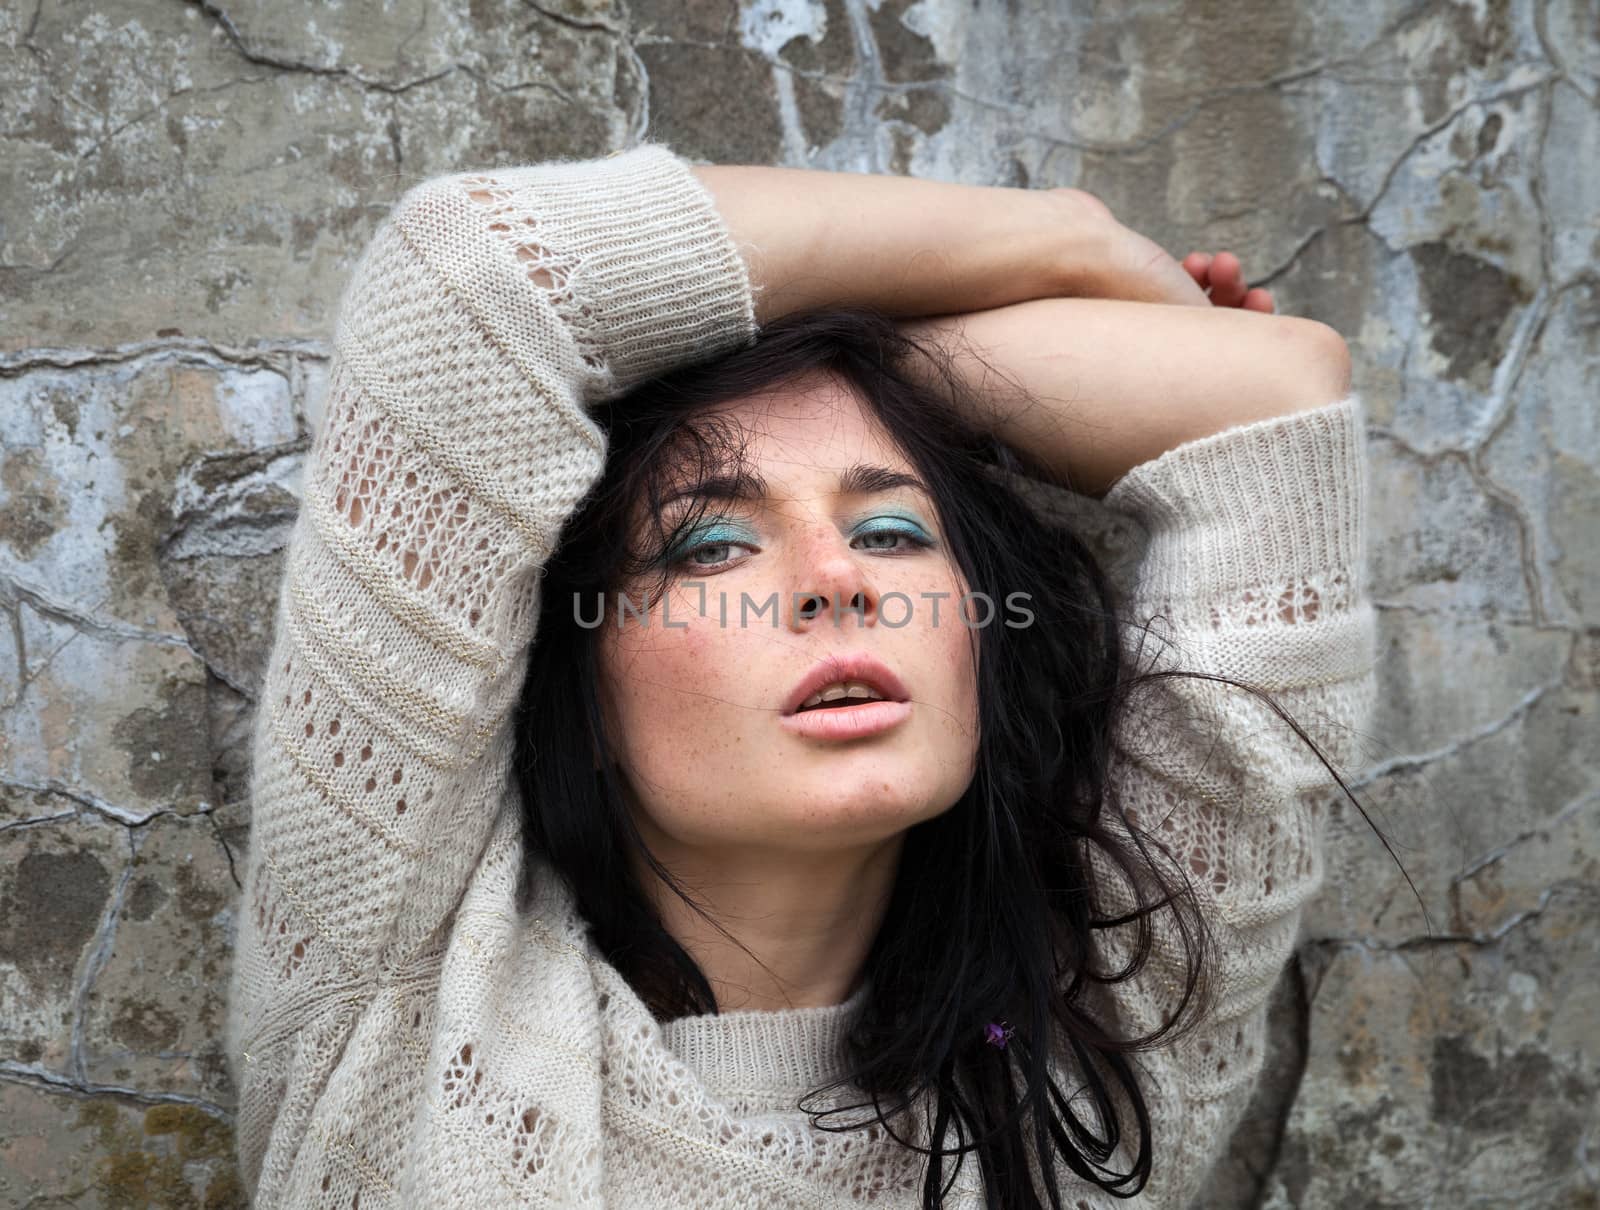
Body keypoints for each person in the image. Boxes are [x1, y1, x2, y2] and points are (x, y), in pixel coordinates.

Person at [225, 143, 1376, 1208]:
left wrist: (858, 357)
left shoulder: (1100, 1064)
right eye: (708, 547)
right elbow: (469, 280)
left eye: (890, 532)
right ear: (580, 698)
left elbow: (1271, 394)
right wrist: (1066, 243)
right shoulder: (398, 1020)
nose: (835, 579)